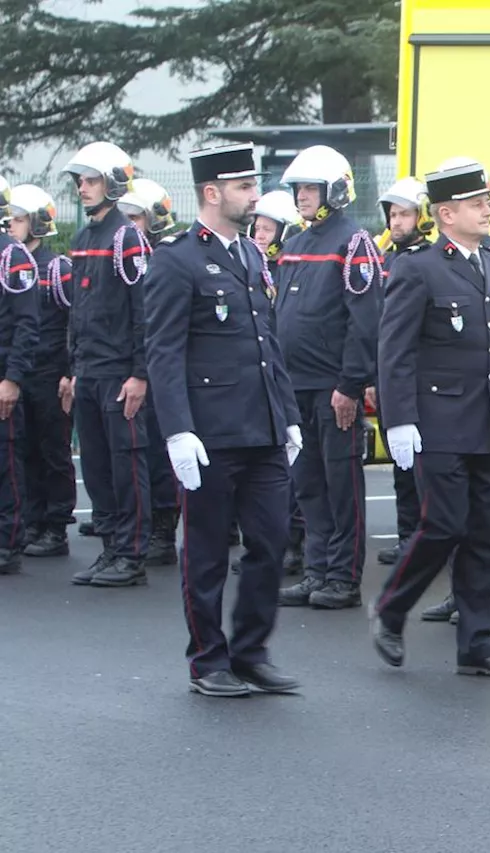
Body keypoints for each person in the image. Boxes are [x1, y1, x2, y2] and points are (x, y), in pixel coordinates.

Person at [144, 143, 303, 696]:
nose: (255, 195)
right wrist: (177, 430)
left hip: (261, 429)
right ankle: (208, 659)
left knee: (271, 541)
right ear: (212, 193)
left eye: (252, 185)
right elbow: (164, 351)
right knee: (209, 550)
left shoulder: (254, 257)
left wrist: (287, 416)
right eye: (243, 186)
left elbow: (267, 345)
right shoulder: (176, 259)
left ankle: (250, 651)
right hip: (209, 433)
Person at [370, 157, 490, 677]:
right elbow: (394, 350)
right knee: (443, 524)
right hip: (437, 422)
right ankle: (392, 608)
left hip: (485, 420)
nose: (488, 208)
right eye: (476, 202)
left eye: (488, 200)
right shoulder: (417, 268)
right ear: (445, 213)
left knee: (485, 532)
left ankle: (478, 642)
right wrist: (397, 421)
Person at [275, 145, 381, 611]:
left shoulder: (354, 243)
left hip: (333, 389)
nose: (302, 196)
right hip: (294, 386)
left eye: (310, 188)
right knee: (308, 484)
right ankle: (317, 570)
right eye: (298, 188)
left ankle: (343, 577)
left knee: (342, 487)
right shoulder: (294, 245)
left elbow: (366, 322)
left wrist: (350, 385)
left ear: (334, 190)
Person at [62, 142, 153, 588]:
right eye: (80, 180)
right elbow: (77, 312)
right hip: (90, 372)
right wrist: (73, 370)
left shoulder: (127, 238)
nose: (83, 188)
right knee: (96, 467)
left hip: (120, 375)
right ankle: (111, 548)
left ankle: (132, 554)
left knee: (126, 465)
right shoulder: (83, 239)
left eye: (91, 180)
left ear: (114, 182)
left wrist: (139, 373)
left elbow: (143, 312)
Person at [6, 184, 76, 559]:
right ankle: (31, 519)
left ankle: (56, 525)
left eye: (19, 219)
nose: (12, 225)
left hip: (51, 372)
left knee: (54, 451)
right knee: (25, 449)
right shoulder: (10, 264)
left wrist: (69, 371)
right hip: (24, 371)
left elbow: (72, 321)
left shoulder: (56, 267)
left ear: (37, 223)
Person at [119, 177, 183, 568]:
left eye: (136, 217)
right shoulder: (124, 254)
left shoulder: (169, 257)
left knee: (163, 450)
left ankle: (163, 524)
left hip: (165, 364)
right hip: (134, 362)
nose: (129, 225)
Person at [373, 176, 435, 569]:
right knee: (402, 467)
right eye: (392, 215)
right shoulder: (387, 258)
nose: (396, 222)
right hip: (391, 379)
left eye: (405, 214)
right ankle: (407, 537)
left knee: (423, 471)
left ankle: (425, 540)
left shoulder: (426, 259)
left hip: (422, 382)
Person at [249, 189, 306, 574]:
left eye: (268, 228)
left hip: (292, 378)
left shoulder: (291, 268)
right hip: (261, 379)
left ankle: (294, 544)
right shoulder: (251, 266)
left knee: (295, 470)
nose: (260, 234)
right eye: (258, 226)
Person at [0, 177, 41, 574]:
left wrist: (12, 379)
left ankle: (7, 544)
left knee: (6, 463)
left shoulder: (12, 256)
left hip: (2, 376)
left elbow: (27, 324)